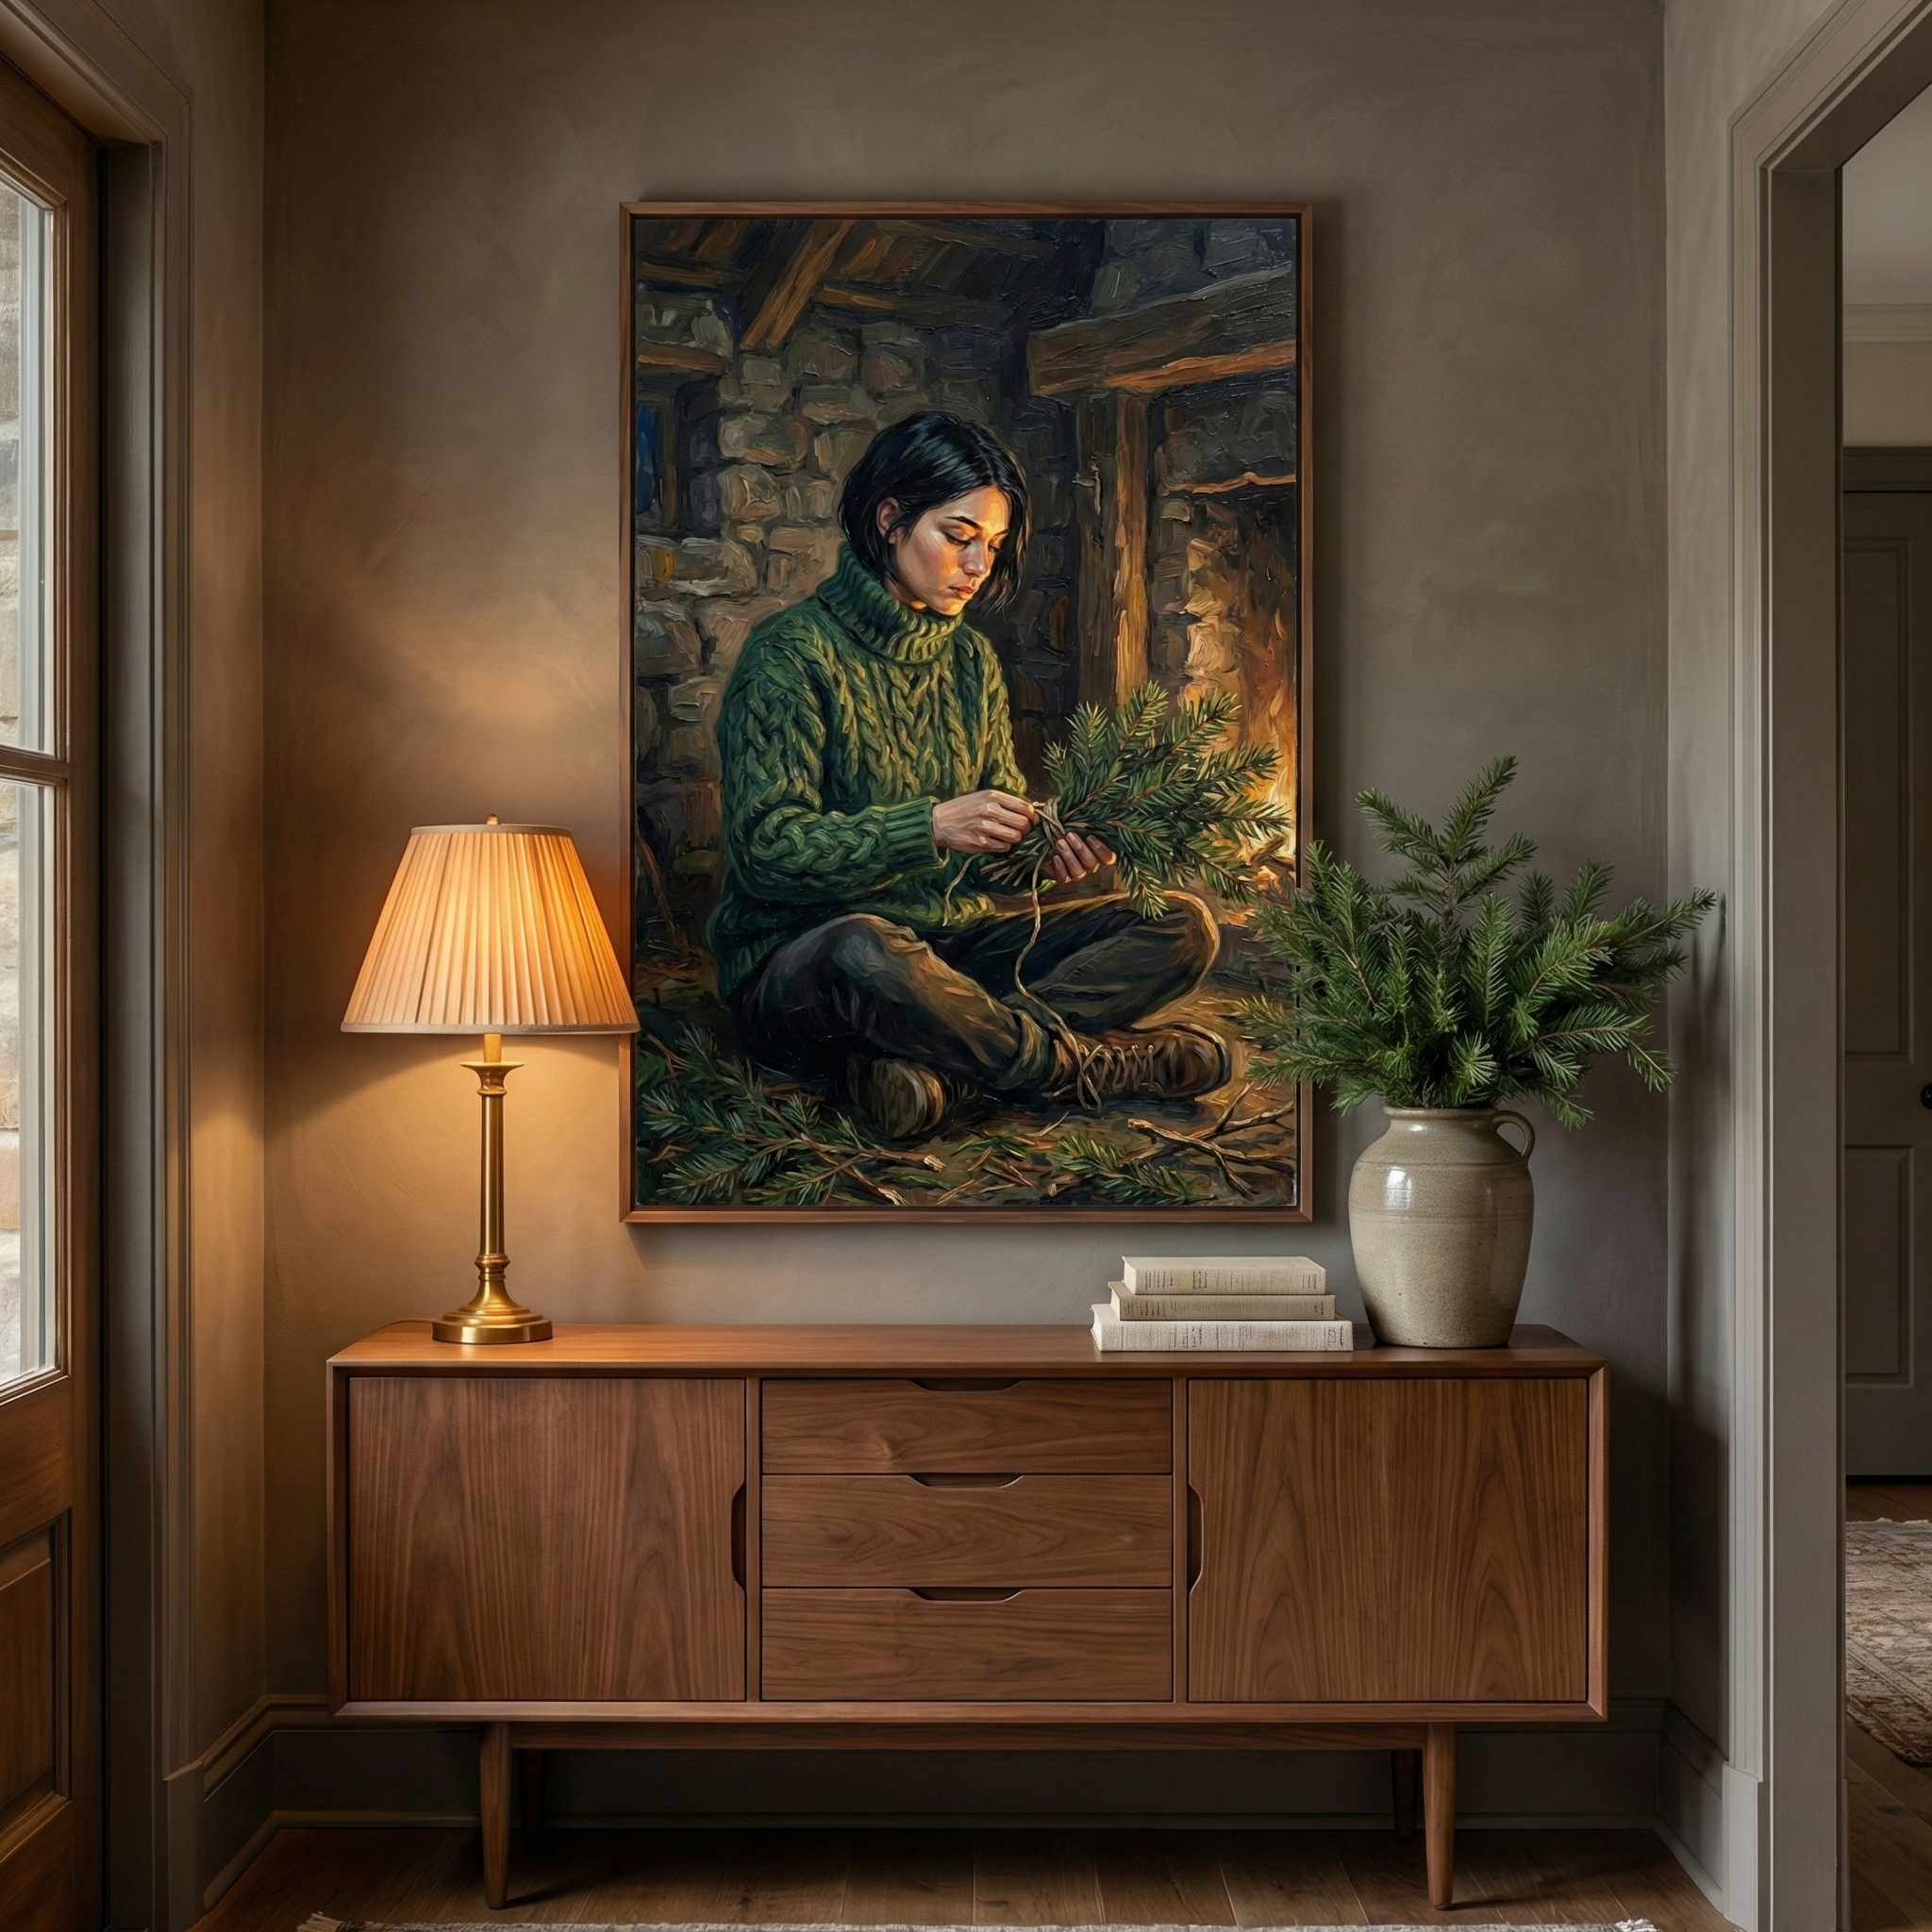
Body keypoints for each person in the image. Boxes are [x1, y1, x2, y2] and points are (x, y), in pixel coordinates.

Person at [708, 409, 1227, 1141]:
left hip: (950, 958)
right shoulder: (789, 654)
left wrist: (1041, 850)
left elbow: (986, 867)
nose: (979, 565)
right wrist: (927, 828)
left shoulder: (970, 661)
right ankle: (1074, 1066)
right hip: (810, 966)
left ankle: (945, 1065)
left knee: (1181, 927)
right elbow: (766, 851)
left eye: (993, 544)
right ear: (890, 521)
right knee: (865, 945)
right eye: (958, 537)